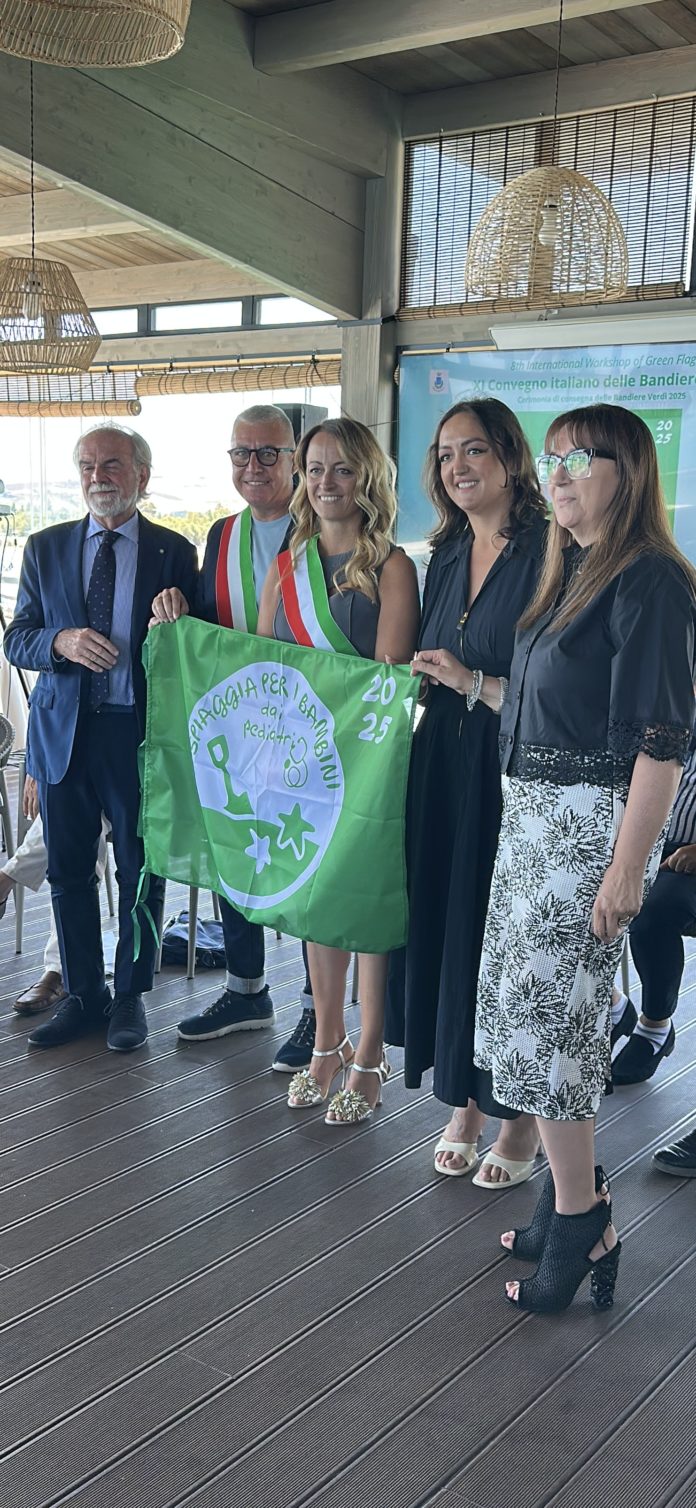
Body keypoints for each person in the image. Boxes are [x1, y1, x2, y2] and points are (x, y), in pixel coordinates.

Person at [472, 404, 696, 1313]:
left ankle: (582, 1221)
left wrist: (625, 866)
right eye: (552, 456)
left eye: (581, 458)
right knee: (526, 1021)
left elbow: (660, 741)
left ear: (629, 472)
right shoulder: (568, 571)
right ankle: (570, 1199)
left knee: (555, 1033)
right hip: (531, 823)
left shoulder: (650, 582)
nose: (558, 472)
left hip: (587, 831)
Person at [385, 399, 547, 1186]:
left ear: (511, 459)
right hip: (443, 769)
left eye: (474, 450)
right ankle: (466, 1103)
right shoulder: (444, 551)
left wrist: (474, 681)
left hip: (514, 772)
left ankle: (515, 1120)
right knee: (452, 930)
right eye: (446, 454)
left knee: (505, 944)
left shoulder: (555, 552)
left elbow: (566, 693)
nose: (457, 467)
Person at [4, 425, 198, 1051]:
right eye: (87, 465)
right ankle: (85, 994)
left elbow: (194, 648)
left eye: (112, 465)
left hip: (137, 737)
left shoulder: (175, 552)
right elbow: (18, 638)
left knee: (141, 869)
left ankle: (131, 999)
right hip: (64, 737)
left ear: (142, 474)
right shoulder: (46, 547)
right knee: (66, 872)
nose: (98, 476)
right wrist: (58, 643)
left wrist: (182, 616)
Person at [257, 417, 420, 1122]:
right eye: (315, 468)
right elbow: (265, 667)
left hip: (364, 757)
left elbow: (385, 677)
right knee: (318, 905)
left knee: (364, 907)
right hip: (298, 762)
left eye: (342, 469)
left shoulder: (392, 565)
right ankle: (326, 1042)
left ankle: (371, 1053)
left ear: (367, 479)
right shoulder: (286, 565)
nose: (326, 483)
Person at [150, 404, 315, 1070]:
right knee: (234, 850)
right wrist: (176, 608)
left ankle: (316, 1010)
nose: (253, 466)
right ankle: (247, 991)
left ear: (295, 457)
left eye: (268, 452)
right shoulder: (219, 535)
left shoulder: (322, 531)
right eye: (241, 453)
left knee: (307, 866)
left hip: (304, 728)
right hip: (236, 724)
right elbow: (205, 617)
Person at [611, 729, 696, 1083]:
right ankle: (612, 1007)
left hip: (689, 861)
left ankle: (655, 1027)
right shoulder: (674, 719)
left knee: (651, 915)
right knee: (575, 890)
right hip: (651, 844)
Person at [0, 776, 108, 1013]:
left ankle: (6, 879)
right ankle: (59, 969)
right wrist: (37, 768)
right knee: (70, 808)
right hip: (74, 773)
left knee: (74, 812)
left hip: (132, 775)